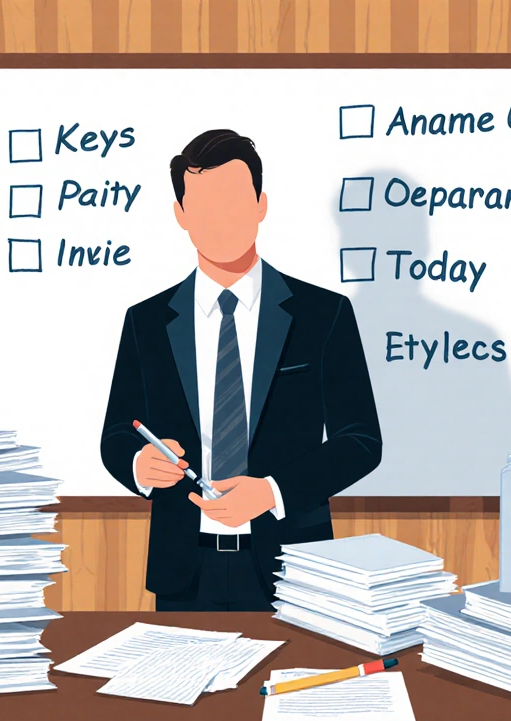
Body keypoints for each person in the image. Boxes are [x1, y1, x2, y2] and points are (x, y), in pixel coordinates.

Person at [99, 129, 383, 611]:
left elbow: (361, 442)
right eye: (204, 206)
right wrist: (138, 465)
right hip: (182, 570)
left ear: (260, 205)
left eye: (234, 201)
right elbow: (117, 434)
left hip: (294, 567)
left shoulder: (323, 314)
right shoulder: (146, 322)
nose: (221, 220)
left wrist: (272, 492)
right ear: (181, 215)